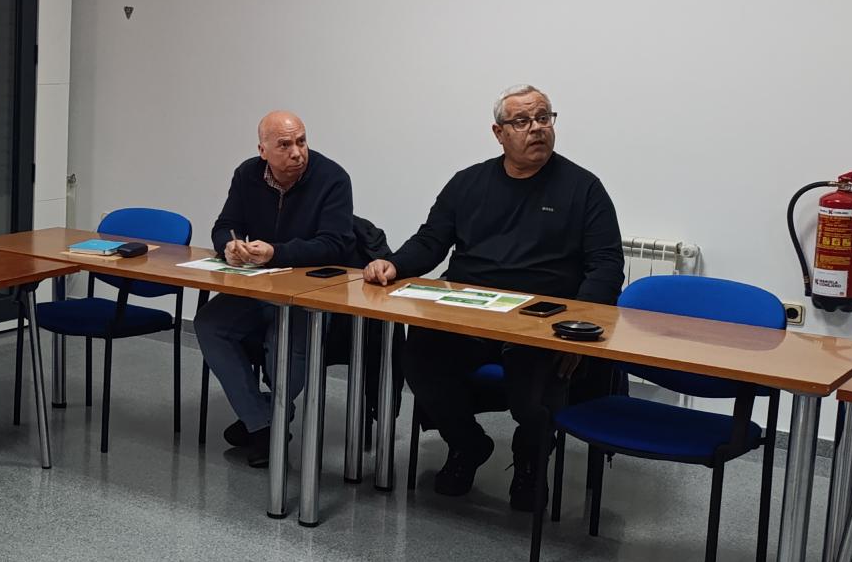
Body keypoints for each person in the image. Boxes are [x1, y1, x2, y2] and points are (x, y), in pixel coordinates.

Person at [364, 85, 624, 511]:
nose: (536, 128)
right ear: (498, 133)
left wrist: (578, 328)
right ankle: (467, 445)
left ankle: (530, 460)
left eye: (544, 118)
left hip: (541, 323)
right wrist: (393, 264)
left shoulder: (584, 188)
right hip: (470, 314)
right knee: (420, 354)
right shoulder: (468, 183)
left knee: (536, 382)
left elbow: (606, 265)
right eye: (522, 121)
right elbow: (431, 241)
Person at [199, 111, 356, 467]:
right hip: (258, 285)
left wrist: (277, 253)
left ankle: (261, 419)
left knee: (284, 349)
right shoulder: (247, 175)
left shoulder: (332, 178)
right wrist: (229, 246)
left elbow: (336, 244)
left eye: (301, 141)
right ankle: (264, 422)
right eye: (284, 145)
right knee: (209, 324)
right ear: (263, 151)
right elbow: (224, 224)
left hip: (309, 294)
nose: (297, 152)